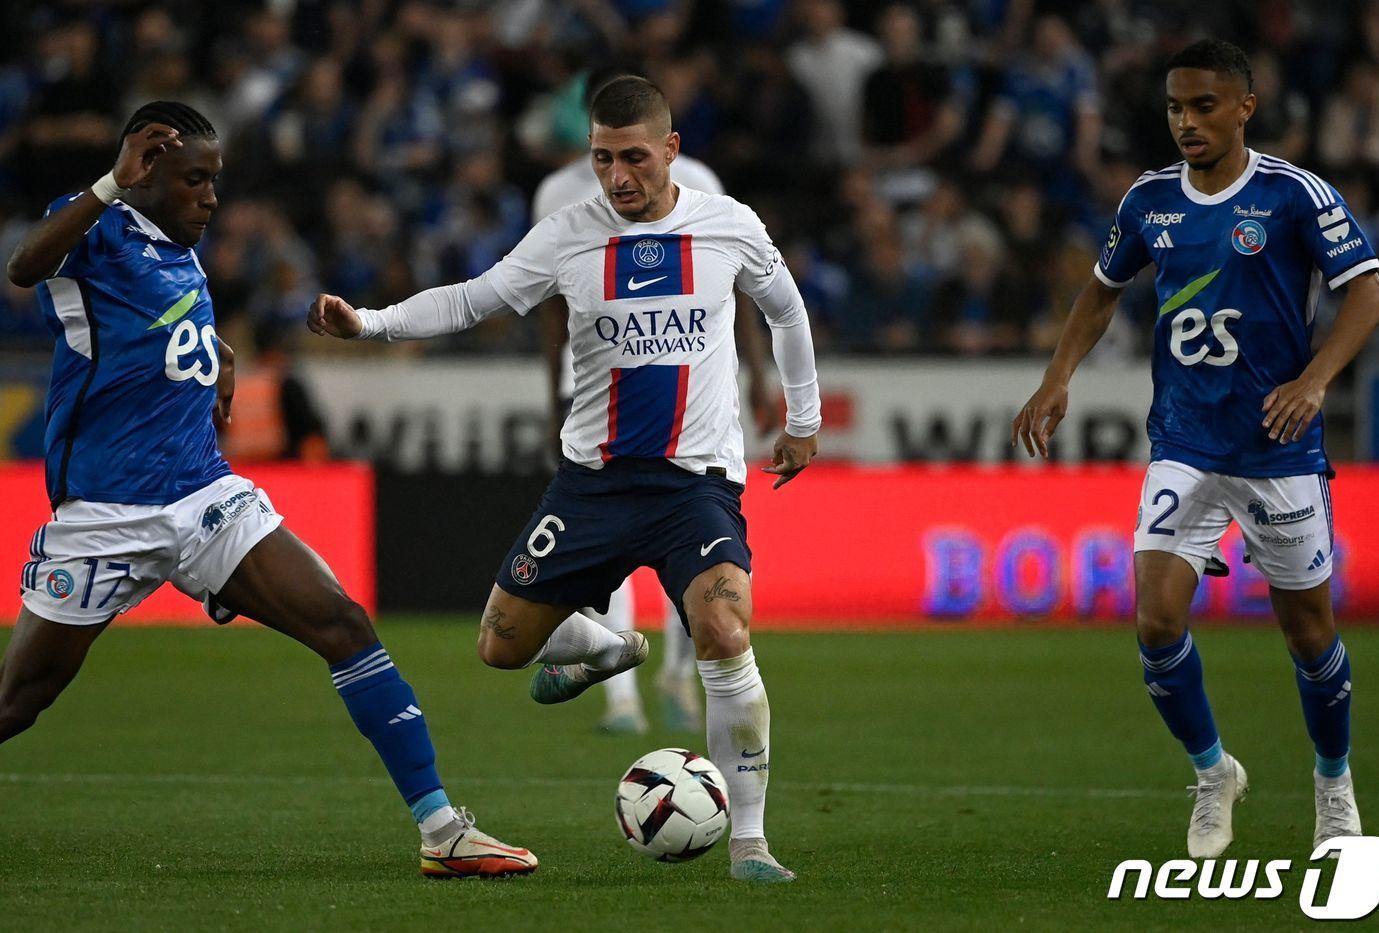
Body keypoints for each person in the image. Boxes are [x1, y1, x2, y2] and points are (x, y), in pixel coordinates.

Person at [2, 101, 535, 879]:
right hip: (107, 514)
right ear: (143, 172)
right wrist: (109, 184)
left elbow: (166, 327)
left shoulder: (179, 250)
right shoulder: (96, 229)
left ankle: (442, 828)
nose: (211, 197)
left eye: (215, 180)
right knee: (20, 702)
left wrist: (213, 354)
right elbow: (22, 268)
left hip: (202, 496)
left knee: (344, 623)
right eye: (194, 180)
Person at [309, 76, 821, 883]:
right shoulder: (567, 235)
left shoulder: (730, 227)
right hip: (592, 485)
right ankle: (609, 646)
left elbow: (786, 312)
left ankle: (752, 843)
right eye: (602, 158)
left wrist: (803, 418)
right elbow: (474, 300)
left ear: (672, 150)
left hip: (696, 486)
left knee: (725, 630)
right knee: (500, 648)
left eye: (635, 158)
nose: (618, 176)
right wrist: (371, 323)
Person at [1012, 40, 1379, 858]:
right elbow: (1100, 292)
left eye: (1204, 106)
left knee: (1309, 633)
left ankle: (1333, 783)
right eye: (1176, 107)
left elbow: (1368, 291)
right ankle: (1214, 771)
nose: (1186, 121)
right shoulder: (1149, 202)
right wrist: (1057, 377)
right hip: (1183, 443)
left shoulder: (1293, 195)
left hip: (1278, 449)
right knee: (1154, 617)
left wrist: (1317, 379)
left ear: (1244, 107)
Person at [533, 68, 780, 735]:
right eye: (601, 146)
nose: (614, 164)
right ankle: (621, 694)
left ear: (662, 140)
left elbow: (740, 286)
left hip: (694, 392)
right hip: (595, 388)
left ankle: (676, 671)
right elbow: (551, 304)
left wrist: (759, 376)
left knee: (689, 542)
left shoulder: (700, 180)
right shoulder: (559, 194)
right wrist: (552, 385)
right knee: (609, 549)